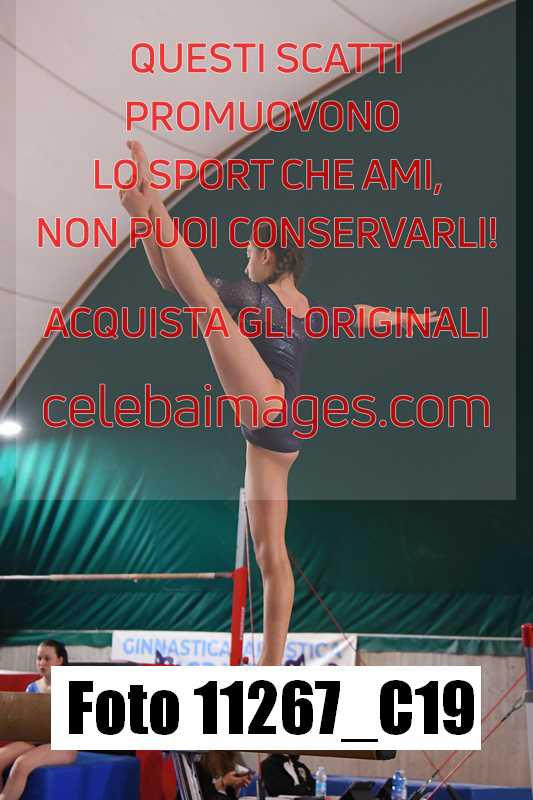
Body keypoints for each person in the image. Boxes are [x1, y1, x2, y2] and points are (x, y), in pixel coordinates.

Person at [119, 141, 437, 666]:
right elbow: (362, 315)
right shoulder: (306, 308)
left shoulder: (252, 295)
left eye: (248, 254)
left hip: (270, 409)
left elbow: (183, 283)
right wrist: (414, 320)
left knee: (206, 307)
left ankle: (151, 199)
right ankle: (270, 666)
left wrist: (151, 210)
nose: (244, 263)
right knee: (272, 557)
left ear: (267, 255)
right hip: (276, 440)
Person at [0, 641, 77, 800]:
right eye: (39, 658)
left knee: (21, 764)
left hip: (63, 745)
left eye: (47, 658)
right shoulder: (32, 688)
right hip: (33, 741)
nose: (42, 663)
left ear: (60, 660)